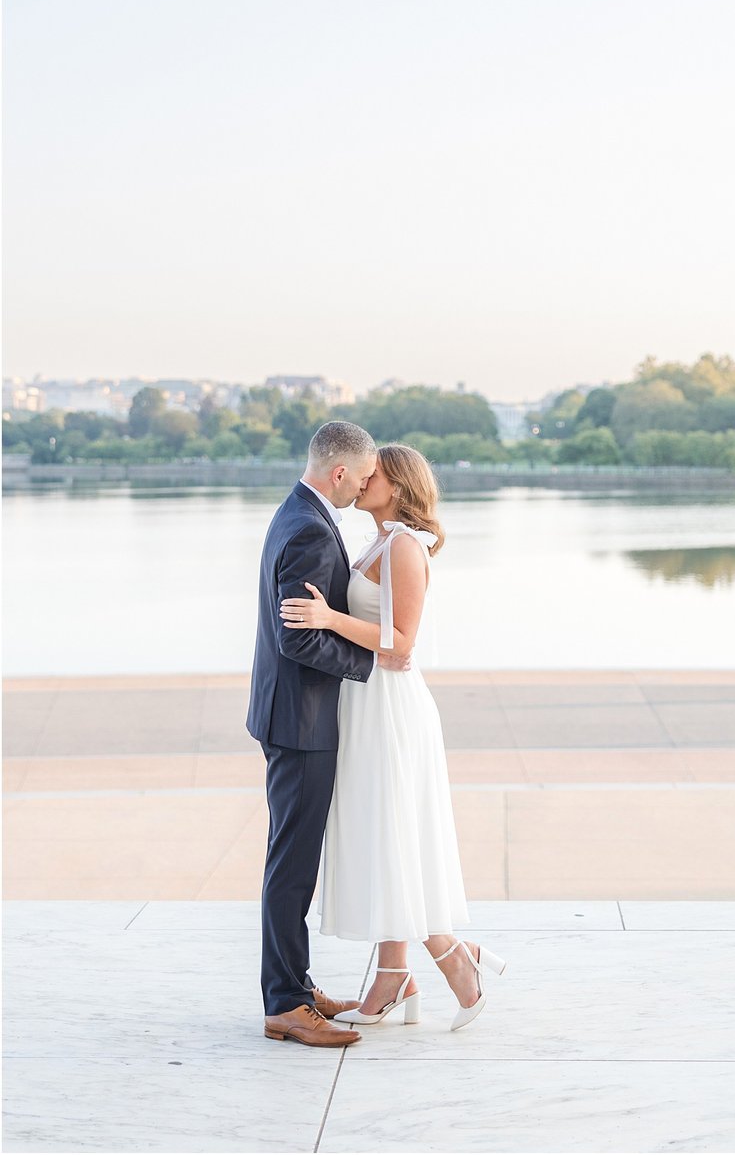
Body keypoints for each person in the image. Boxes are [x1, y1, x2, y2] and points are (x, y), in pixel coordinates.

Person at [280, 441, 506, 1032]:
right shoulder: (377, 541)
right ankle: (392, 978)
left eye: (373, 475)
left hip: (390, 706)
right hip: (364, 700)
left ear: (398, 486)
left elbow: (402, 642)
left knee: (396, 833)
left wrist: (329, 619)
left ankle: (457, 963)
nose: (362, 482)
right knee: (383, 834)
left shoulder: (404, 546)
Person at [246, 420, 412, 1048]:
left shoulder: (294, 511)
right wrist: (372, 665)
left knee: (289, 859)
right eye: (364, 476)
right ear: (339, 473)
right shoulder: (313, 530)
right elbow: (299, 636)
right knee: (292, 865)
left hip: (286, 712)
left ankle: (294, 983)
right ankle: (286, 1002)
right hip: (302, 720)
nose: (367, 485)